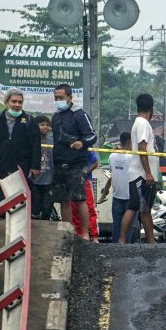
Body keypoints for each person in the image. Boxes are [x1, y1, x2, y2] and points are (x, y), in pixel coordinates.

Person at [50, 83, 98, 241]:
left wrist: (82, 143)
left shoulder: (79, 115)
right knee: (64, 200)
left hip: (77, 163)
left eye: (61, 98)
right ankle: (67, 233)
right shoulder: (55, 117)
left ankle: (84, 234)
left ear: (70, 98)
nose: (58, 100)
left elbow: (92, 136)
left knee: (80, 199)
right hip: (59, 163)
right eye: (56, 98)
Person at [118, 93, 159, 245]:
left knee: (145, 208)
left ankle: (151, 240)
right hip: (140, 175)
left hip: (144, 174)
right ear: (151, 109)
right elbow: (142, 148)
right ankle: (122, 240)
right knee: (134, 207)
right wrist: (148, 173)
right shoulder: (142, 123)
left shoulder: (140, 122)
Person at [0, 89, 41, 180]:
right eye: (13, 101)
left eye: (20, 102)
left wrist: (36, 167)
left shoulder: (29, 120)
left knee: (24, 194)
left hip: (24, 169)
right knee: (4, 194)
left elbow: (36, 146)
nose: (17, 105)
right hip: (4, 169)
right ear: (6, 102)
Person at [100, 132, 138, 243]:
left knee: (116, 226)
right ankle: (126, 251)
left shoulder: (112, 156)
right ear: (130, 142)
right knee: (129, 227)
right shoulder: (132, 157)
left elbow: (112, 176)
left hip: (117, 196)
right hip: (130, 197)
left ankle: (115, 250)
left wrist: (104, 193)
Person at [31, 115, 55, 220]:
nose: (45, 127)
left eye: (47, 125)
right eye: (42, 125)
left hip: (49, 181)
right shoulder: (31, 141)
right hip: (35, 181)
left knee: (47, 209)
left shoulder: (52, 141)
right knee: (35, 210)